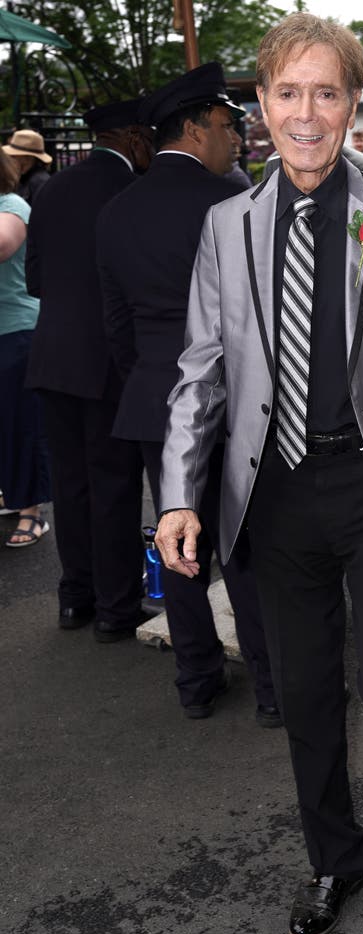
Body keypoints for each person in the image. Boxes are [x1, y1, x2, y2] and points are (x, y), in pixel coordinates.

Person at [155, 13, 363, 934]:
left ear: (351, 103)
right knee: (304, 697)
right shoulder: (227, 225)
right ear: (261, 105)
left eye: (326, 93)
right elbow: (202, 370)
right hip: (275, 498)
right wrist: (179, 493)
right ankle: (335, 859)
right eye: (288, 93)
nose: (306, 114)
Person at [96, 64, 279, 727]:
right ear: (199, 127)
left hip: (154, 401)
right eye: (231, 126)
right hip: (234, 402)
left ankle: (197, 681)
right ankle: (272, 689)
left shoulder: (117, 210)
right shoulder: (231, 205)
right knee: (247, 546)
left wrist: (153, 380)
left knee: (180, 544)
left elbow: (115, 325)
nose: (240, 139)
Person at [25, 100, 155, 640]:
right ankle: (115, 607)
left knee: (73, 486)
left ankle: (74, 597)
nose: (151, 143)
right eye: (146, 134)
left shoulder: (51, 188)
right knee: (114, 486)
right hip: (108, 362)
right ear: (126, 136)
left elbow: (34, 280)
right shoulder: (130, 193)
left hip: (52, 357)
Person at [0, 149, 50, 547]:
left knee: (21, 424)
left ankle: (31, 512)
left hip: (15, 332)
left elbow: (2, 245)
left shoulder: (12, 205)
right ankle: (10, 492)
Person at [2, 130, 52, 206]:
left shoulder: (39, 181)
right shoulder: (23, 178)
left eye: (13, 156)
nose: (10, 160)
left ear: (27, 158)